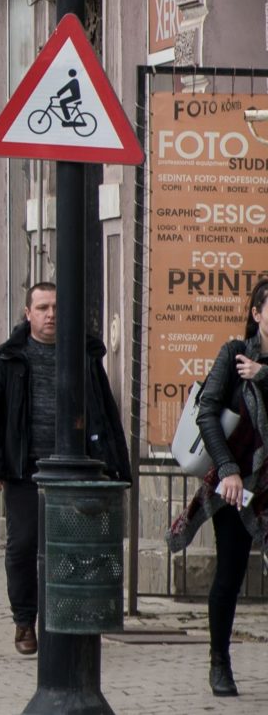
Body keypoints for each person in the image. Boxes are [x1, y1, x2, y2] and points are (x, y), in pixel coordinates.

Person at [0, 281, 131, 659]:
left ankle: (71, 617)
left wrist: (116, 465)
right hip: (26, 470)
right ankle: (25, 620)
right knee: (24, 545)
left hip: (79, 468)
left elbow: (105, 411)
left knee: (77, 548)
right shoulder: (9, 358)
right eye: (43, 308)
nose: (51, 315)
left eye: (57, 308)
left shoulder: (84, 357)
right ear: (28, 313)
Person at [177, 282, 267, 697]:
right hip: (239, 485)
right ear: (257, 314)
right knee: (230, 572)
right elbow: (208, 412)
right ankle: (220, 662)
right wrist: (227, 469)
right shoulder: (234, 354)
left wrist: (265, 376)